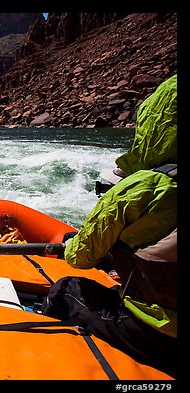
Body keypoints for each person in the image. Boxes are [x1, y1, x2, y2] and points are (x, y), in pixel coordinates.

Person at [44, 74, 177, 377]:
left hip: (156, 335)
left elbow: (80, 257)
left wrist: (71, 245)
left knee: (67, 289)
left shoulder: (145, 186)